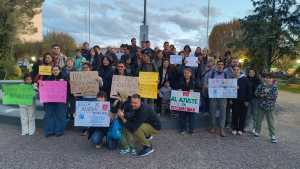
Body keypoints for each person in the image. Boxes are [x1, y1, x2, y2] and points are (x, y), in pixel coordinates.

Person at [42, 65, 67, 137]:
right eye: (54, 70)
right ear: (52, 71)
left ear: (59, 70)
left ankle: (59, 131)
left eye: (56, 70)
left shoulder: (64, 78)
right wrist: (40, 84)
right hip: (50, 101)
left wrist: (65, 82)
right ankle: (50, 131)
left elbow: (69, 88)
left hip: (60, 100)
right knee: (49, 115)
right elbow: (43, 88)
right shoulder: (48, 78)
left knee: (60, 115)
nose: (55, 71)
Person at [254, 73, 278, 143]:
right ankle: (257, 132)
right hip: (261, 106)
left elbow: (274, 96)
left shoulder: (274, 87)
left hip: (270, 107)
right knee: (258, 120)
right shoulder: (261, 86)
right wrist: (262, 95)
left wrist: (264, 95)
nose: (268, 79)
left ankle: (272, 135)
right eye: (267, 78)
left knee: (270, 122)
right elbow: (256, 93)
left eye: (270, 78)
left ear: (272, 79)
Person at [207, 60, 228, 137]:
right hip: (213, 96)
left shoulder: (226, 74)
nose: (220, 66)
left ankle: (221, 129)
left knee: (223, 112)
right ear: (216, 65)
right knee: (212, 111)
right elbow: (207, 83)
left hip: (223, 96)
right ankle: (213, 127)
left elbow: (230, 84)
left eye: (222, 64)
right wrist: (207, 86)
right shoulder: (212, 73)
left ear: (223, 66)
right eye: (219, 64)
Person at [231, 65, 251, 135]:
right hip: (234, 100)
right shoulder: (232, 79)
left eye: (237, 69)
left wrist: (247, 100)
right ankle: (234, 128)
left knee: (243, 115)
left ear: (240, 70)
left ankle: (240, 129)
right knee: (235, 114)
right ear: (233, 71)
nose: (236, 71)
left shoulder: (245, 79)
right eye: (234, 70)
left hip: (243, 100)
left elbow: (249, 90)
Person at [177, 68, 196, 134]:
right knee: (182, 115)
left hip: (191, 102)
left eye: (188, 73)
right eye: (185, 73)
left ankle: (191, 129)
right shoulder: (180, 80)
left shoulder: (194, 81)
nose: (186, 74)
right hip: (183, 102)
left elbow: (198, 88)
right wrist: (179, 89)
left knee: (192, 116)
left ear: (190, 74)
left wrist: (194, 90)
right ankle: (183, 129)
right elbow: (178, 86)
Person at [245, 68, 261, 132]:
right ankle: (246, 126)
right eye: (250, 72)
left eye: (252, 72)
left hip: (255, 99)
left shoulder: (258, 80)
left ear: (255, 73)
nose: (251, 73)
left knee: (255, 114)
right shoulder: (246, 79)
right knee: (247, 114)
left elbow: (258, 90)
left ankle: (254, 128)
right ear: (248, 73)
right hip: (248, 99)